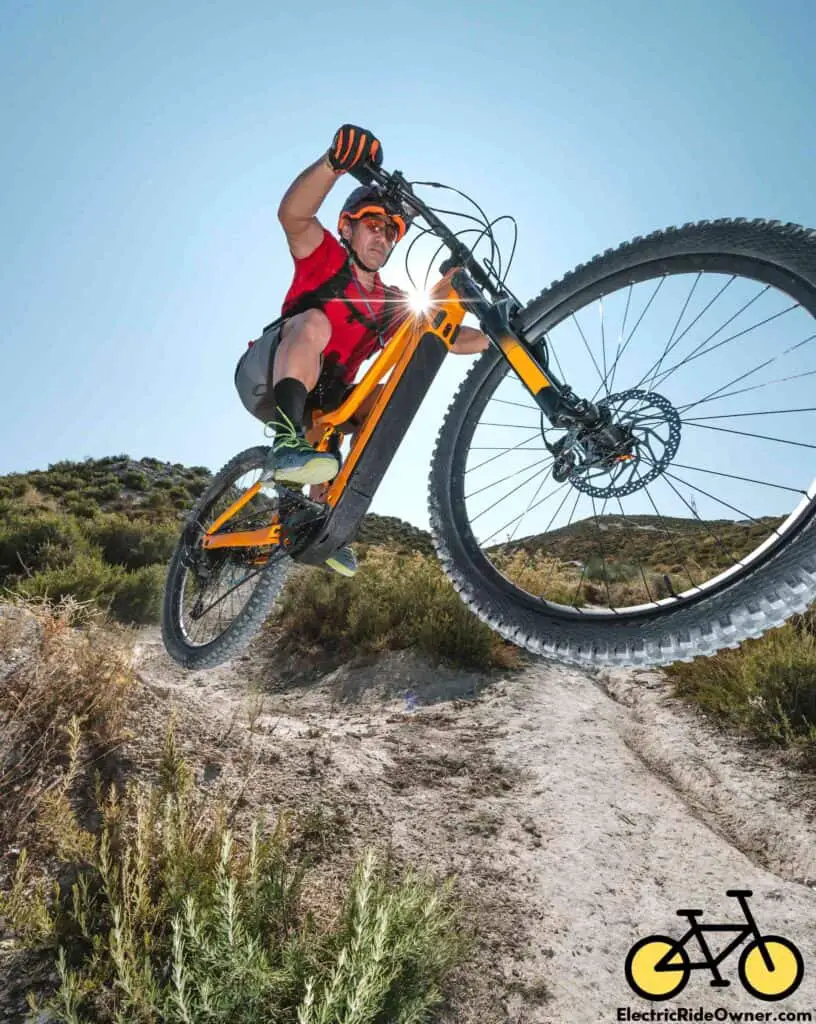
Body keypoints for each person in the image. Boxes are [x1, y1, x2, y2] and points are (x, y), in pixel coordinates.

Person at [235, 124, 489, 577]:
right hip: (267, 375)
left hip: (327, 402)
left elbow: (446, 338)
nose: (383, 238)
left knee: (391, 396)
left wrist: (500, 340)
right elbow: (293, 216)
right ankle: (287, 445)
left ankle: (323, 520)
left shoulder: (390, 303)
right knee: (316, 321)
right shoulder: (326, 259)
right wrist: (333, 163)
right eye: (373, 225)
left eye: (391, 232)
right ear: (347, 228)